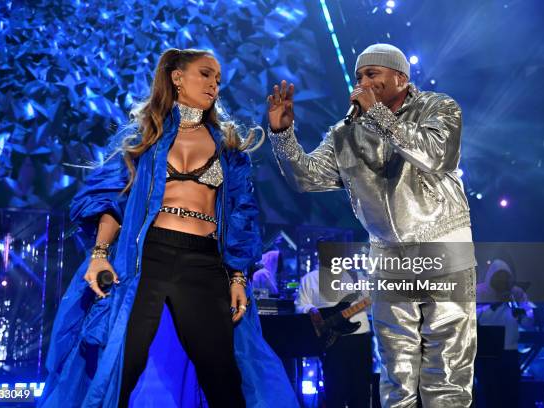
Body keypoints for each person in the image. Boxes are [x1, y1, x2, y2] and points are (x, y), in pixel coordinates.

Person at [40, 48, 298, 408]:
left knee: (223, 376)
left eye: (218, 80)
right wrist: (99, 255)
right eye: (206, 74)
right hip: (149, 258)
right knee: (119, 366)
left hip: (204, 263)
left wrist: (238, 277)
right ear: (177, 77)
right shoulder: (145, 137)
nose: (214, 85)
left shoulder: (228, 145)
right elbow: (113, 203)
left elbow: (242, 214)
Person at [267, 43, 477, 407]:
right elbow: (308, 178)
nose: (362, 82)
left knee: (446, 369)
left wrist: (378, 115)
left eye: (372, 74)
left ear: (400, 77)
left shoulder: (439, 107)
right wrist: (283, 136)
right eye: (359, 76)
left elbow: (436, 155)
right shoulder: (345, 132)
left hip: (442, 246)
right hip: (387, 253)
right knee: (396, 371)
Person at [295, 267, 372, 408]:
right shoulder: (310, 278)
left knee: (361, 389)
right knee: (334, 390)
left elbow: (372, 305)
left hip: (359, 338)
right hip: (332, 340)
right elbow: (300, 305)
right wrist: (311, 310)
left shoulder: (359, 277)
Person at [476, 259, 534, 408]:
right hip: (487, 354)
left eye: (505, 277)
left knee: (510, 396)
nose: (502, 280)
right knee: (489, 395)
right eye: (499, 277)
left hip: (510, 352)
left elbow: (530, 322)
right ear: (491, 277)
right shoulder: (479, 291)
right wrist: (494, 305)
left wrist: (521, 314)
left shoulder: (516, 293)